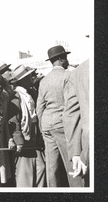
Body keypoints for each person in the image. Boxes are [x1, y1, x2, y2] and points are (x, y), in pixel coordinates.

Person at [36, 45, 82, 187]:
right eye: (65, 57)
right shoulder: (68, 76)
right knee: (72, 162)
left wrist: (42, 127)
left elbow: (39, 107)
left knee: (52, 165)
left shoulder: (44, 80)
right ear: (61, 59)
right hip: (63, 125)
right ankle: (77, 191)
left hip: (47, 124)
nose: (67, 60)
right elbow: (71, 104)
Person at [10, 64, 46, 187]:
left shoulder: (30, 94)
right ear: (23, 80)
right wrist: (19, 141)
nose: (32, 78)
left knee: (40, 170)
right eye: (29, 76)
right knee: (25, 178)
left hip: (34, 142)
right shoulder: (16, 96)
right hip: (25, 143)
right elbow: (14, 120)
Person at [63, 59, 89, 187]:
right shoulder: (76, 73)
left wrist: (75, 153)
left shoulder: (78, 73)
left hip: (88, 146)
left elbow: (71, 113)